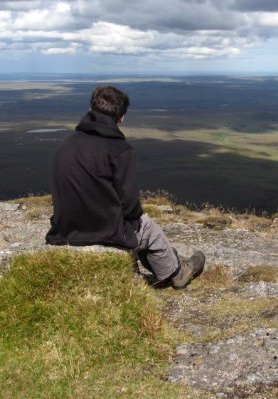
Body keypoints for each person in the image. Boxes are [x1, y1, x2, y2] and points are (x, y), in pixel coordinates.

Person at [46, 85, 205, 289]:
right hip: (103, 233)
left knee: (137, 228)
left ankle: (170, 261)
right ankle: (178, 272)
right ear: (122, 118)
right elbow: (130, 208)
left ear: (89, 109)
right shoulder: (119, 150)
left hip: (65, 231)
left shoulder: (65, 145)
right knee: (146, 226)